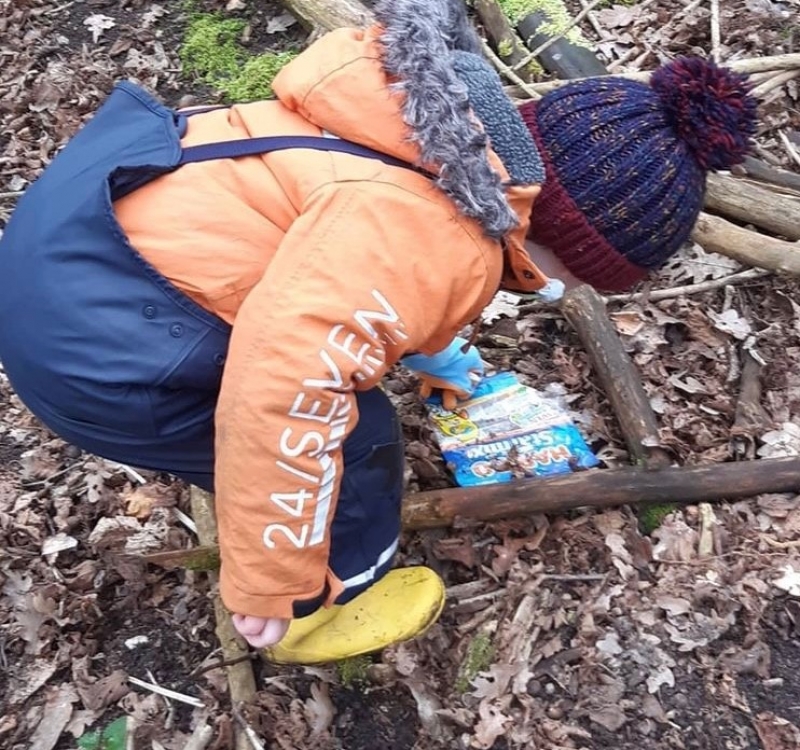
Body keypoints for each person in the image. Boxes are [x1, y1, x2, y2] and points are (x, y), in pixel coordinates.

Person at [0, 0, 757, 663]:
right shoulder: (442, 239)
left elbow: (348, 268)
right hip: (93, 352)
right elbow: (289, 386)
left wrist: (439, 349)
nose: (570, 289)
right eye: (586, 273)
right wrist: (271, 581)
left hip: (71, 243)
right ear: (572, 234)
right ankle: (320, 608)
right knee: (356, 441)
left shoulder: (427, 134)